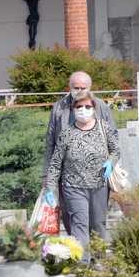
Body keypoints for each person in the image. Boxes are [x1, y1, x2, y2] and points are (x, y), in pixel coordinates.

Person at [43, 91, 120, 253]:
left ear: (94, 108)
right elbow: (55, 163)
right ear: (73, 109)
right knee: (79, 224)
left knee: (98, 224)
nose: (83, 110)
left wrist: (110, 163)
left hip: (99, 185)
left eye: (87, 107)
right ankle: (83, 263)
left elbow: (116, 150)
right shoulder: (66, 134)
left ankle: (98, 259)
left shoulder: (103, 127)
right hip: (73, 187)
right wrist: (50, 188)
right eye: (79, 107)